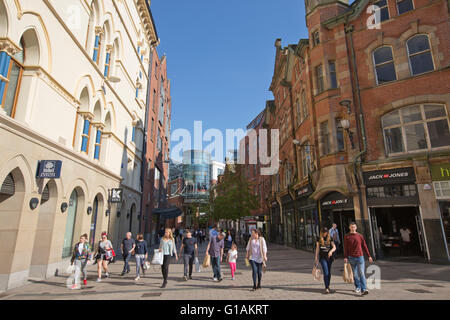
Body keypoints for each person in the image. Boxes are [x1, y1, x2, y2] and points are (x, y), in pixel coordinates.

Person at [344, 222, 373, 296]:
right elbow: (346, 248)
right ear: (349, 228)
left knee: (362, 273)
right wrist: (345, 257)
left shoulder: (360, 236)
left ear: (356, 227)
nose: (353, 228)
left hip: (360, 257)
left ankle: (363, 289)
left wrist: (369, 256)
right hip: (351, 257)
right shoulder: (347, 236)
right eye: (351, 227)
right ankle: (357, 286)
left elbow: (364, 246)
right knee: (355, 274)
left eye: (354, 227)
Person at [314, 227, 336, 294]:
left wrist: (331, 251)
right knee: (326, 272)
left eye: (325, 232)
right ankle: (326, 287)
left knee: (329, 272)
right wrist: (316, 257)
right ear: (321, 232)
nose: (324, 233)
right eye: (323, 232)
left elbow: (334, 247)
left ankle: (328, 286)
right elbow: (317, 248)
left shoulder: (330, 238)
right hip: (322, 258)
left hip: (329, 258)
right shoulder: (319, 238)